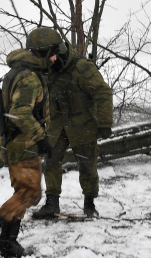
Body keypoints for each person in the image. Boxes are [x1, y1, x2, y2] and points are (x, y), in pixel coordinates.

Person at [0, 27, 57, 257]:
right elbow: (20, 112)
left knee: (22, 193)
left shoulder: (20, 72)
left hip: (16, 142)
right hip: (24, 143)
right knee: (30, 194)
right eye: (52, 53)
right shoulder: (29, 77)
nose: (54, 58)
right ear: (41, 52)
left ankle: (8, 244)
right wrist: (41, 138)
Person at [33, 36, 113, 219]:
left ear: (59, 53)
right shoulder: (47, 66)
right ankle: (52, 203)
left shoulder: (82, 67)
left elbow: (103, 92)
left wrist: (105, 122)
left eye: (52, 58)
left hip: (82, 123)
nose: (51, 62)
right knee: (51, 161)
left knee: (87, 164)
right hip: (57, 123)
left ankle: (89, 203)